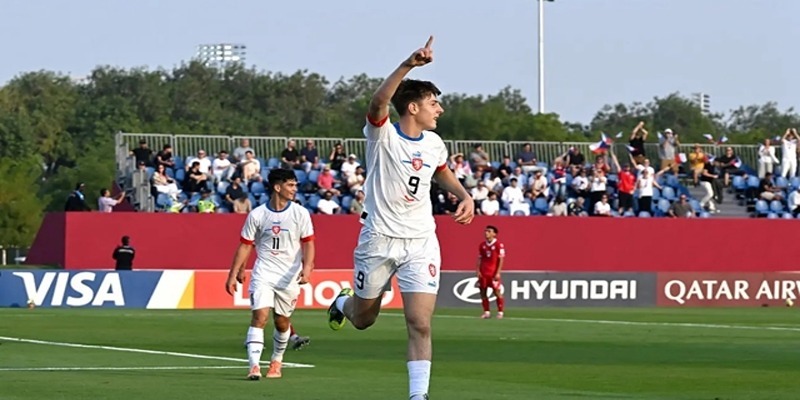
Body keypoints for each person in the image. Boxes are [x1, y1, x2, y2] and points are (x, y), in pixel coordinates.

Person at [325, 36, 474, 400]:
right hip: (379, 238)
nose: (439, 110)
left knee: (419, 322)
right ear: (411, 107)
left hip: (421, 241)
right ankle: (341, 303)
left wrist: (464, 194)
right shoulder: (382, 136)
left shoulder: (435, 143)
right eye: (433, 104)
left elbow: (440, 170)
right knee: (364, 319)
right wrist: (409, 64)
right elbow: (378, 102)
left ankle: (418, 396)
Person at [225, 169, 315, 381]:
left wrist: (308, 267)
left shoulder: (300, 213)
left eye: (295, 185)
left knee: (282, 322)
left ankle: (277, 360)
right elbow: (245, 246)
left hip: (289, 275)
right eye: (290, 185)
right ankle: (254, 366)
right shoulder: (257, 215)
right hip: (264, 272)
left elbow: (309, 243)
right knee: (260, 316)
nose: (295, 189)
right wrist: (234, 273)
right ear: (277, 187)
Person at [476, 225, 505, 319]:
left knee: (496, 292)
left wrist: (498, 272)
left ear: (494, 234)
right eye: (485, 231)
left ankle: (500, 312)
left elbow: (501, 259)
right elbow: (480, 259)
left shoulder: (498, 245)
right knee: (483, 292)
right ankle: (486, 312)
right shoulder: (482, 245)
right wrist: (478, 270)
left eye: (489, 231)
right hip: (484, 272)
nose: (486, 233)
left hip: (493, 273)